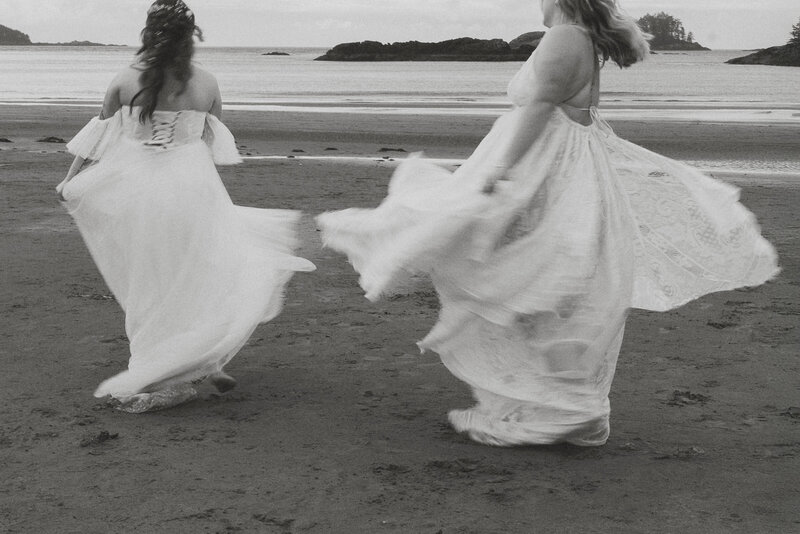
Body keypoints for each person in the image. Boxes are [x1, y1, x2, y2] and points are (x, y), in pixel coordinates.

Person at [317, 0, 779, 446]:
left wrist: (502, 172)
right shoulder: (582, 39)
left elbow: (540, 110)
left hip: (545, 172)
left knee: (521, 280)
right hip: (559, 167)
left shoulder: (564, 36)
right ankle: (560, 402)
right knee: (531, 284)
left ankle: (571, 402)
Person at [58, 0, 315, 413]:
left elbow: (99, 137)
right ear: (189, 38)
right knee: (197, 270)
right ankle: (208, 362)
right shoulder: (207, 83)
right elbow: (213, 142)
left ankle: (169, 364)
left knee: (150, 276)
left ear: (149, 34)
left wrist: (71, 180)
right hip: (192, 186)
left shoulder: (126, 79)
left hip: (138, 188)